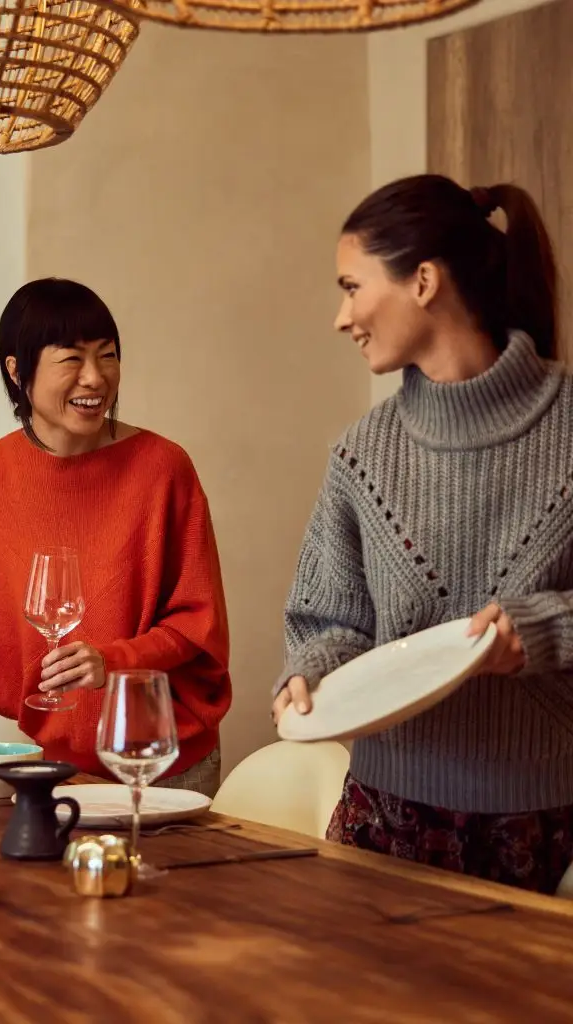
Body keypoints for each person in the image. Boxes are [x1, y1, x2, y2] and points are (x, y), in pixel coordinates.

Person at [272, 173, 573, 893]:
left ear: (424, 282)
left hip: (545, 825)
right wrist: (309, 676)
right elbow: (331, 621)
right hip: (386, 816)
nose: (341, 317)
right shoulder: (361, 456)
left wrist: (542, 631)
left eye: (351, 287)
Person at [0, 278, 231, 795]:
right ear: (17, 370)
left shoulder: (163, 469)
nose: (95, 377)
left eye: (107, 356)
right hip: (60, 765)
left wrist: (111, 661)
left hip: (162, 759)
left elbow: (196, 623)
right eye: (72, 359)